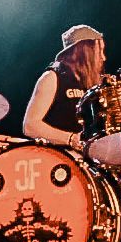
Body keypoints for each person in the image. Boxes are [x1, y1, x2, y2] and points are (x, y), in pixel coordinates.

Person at [21, 23, 105, 152]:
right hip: (58, 159)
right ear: (84, 51)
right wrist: (70, 138)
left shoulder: (96, 83)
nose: (103, 58)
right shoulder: (52, 77)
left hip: (90, 159)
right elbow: (30, 125)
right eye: (99, 52)